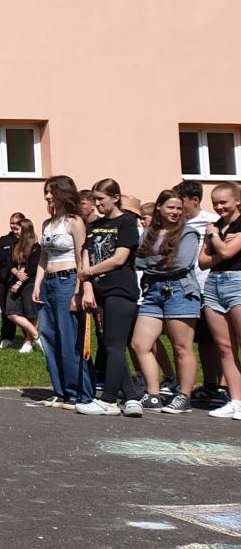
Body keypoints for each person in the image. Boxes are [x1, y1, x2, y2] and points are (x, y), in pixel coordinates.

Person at [75, 179, 145, 416]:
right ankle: (132, 398)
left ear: (115, 198)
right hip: (98, 291)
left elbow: (119, 259)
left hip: (120, 290)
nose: (96, 203)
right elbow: (86, 254)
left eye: (101, 199)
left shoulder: (127, 222)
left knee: (115, 345)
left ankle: (109, 400)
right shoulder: (94, 225)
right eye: (94, 199)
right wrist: (87, 287)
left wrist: (88, 272)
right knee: (108, 345)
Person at [131, 189, 200, 413]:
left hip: (179, 290)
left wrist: (151, 262)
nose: (175, 212)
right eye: (170, 207)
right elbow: (138, 261)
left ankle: (184, 397)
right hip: (152, 292)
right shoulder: (148, 233)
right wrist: (160, 261)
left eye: (179, 208)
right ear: (159, 207)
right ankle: (153, 394)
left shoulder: (188, 233)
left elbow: (181, 262)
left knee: (181, 346)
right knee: (140, 344)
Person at [32, 175, 91, 409]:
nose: (47, 196)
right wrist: (37, 284)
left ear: (63, 194)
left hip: (68, 281)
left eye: (51, 192)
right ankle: (59, 390)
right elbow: (43, 257)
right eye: (46, 192)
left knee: (69, 339)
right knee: (48, 336)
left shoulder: (74, 222)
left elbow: (81, 257)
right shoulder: (47, 224)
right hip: (48, 283)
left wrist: (79, 290)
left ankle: (76, 392)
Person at [177, 180, 228, 408]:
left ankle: (222, 386)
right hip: (187, 289)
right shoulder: (178, 224)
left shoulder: (212, 222)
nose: (178, 208)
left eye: (181, 203)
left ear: (194, 200)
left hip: (209, 285)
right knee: (199, 340)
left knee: (218, 340)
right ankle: (209, 384)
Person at [199, 181, 241, 420]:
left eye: (223, 202)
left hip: (238, 281)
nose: (219, 207)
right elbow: (203, 262)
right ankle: (236, 400)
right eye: (215, 203)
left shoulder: (219, 228)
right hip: (214, 283)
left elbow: (226, 253)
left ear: (237, 201)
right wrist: (220, 241)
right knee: (225, 347)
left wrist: (215, 239)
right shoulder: (214, 226)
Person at [4, 218, 41, 354]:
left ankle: (28, 342)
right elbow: (9, 263)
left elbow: (32, 268)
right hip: (15, 281)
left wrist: (20, 282)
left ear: (25, 230)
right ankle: (37, 336)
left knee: (31, 314)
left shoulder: (36, 247)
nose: (14, 231)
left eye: (17, 229)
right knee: (11, 312)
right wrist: (16, 273)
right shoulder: (14, 245)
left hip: (29, 283)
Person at [0, 212, 26, 348]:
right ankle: (7, 338)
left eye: (17, 223)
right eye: (12, 223)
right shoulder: (4, 240)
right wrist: (10, 257)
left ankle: (30, 336)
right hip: (5, 281)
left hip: (23, 281)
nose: (14, 226)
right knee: (5, 309)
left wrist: (9, 258)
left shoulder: (26, 240)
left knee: (25, 309)